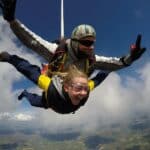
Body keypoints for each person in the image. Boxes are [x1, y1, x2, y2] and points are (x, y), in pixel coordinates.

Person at [0, 0, 146, 78]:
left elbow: (113, 64)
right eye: (86, 43)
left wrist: (130, 59)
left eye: (92, 43)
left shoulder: (91, 59)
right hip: (55, 85)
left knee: (104, 74)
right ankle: (9, 57)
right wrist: (12, 21)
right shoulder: (55, 51)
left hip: (75, 90)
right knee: (32, 72)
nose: (91, 47)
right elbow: (31, 41)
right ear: (75, 43)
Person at [0, 51, 109, 114]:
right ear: (66, 87)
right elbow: (28, 70)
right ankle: (25, 93)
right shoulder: (50, 86)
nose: (83, 93)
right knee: (34, 101)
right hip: (49, 100)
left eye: (85, 89)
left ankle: (51, 67)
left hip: (54, 101)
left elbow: (98, 80)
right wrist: (10, 58)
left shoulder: (85, 89)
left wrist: (111, 67)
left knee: (36, 101)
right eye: (79, 88)